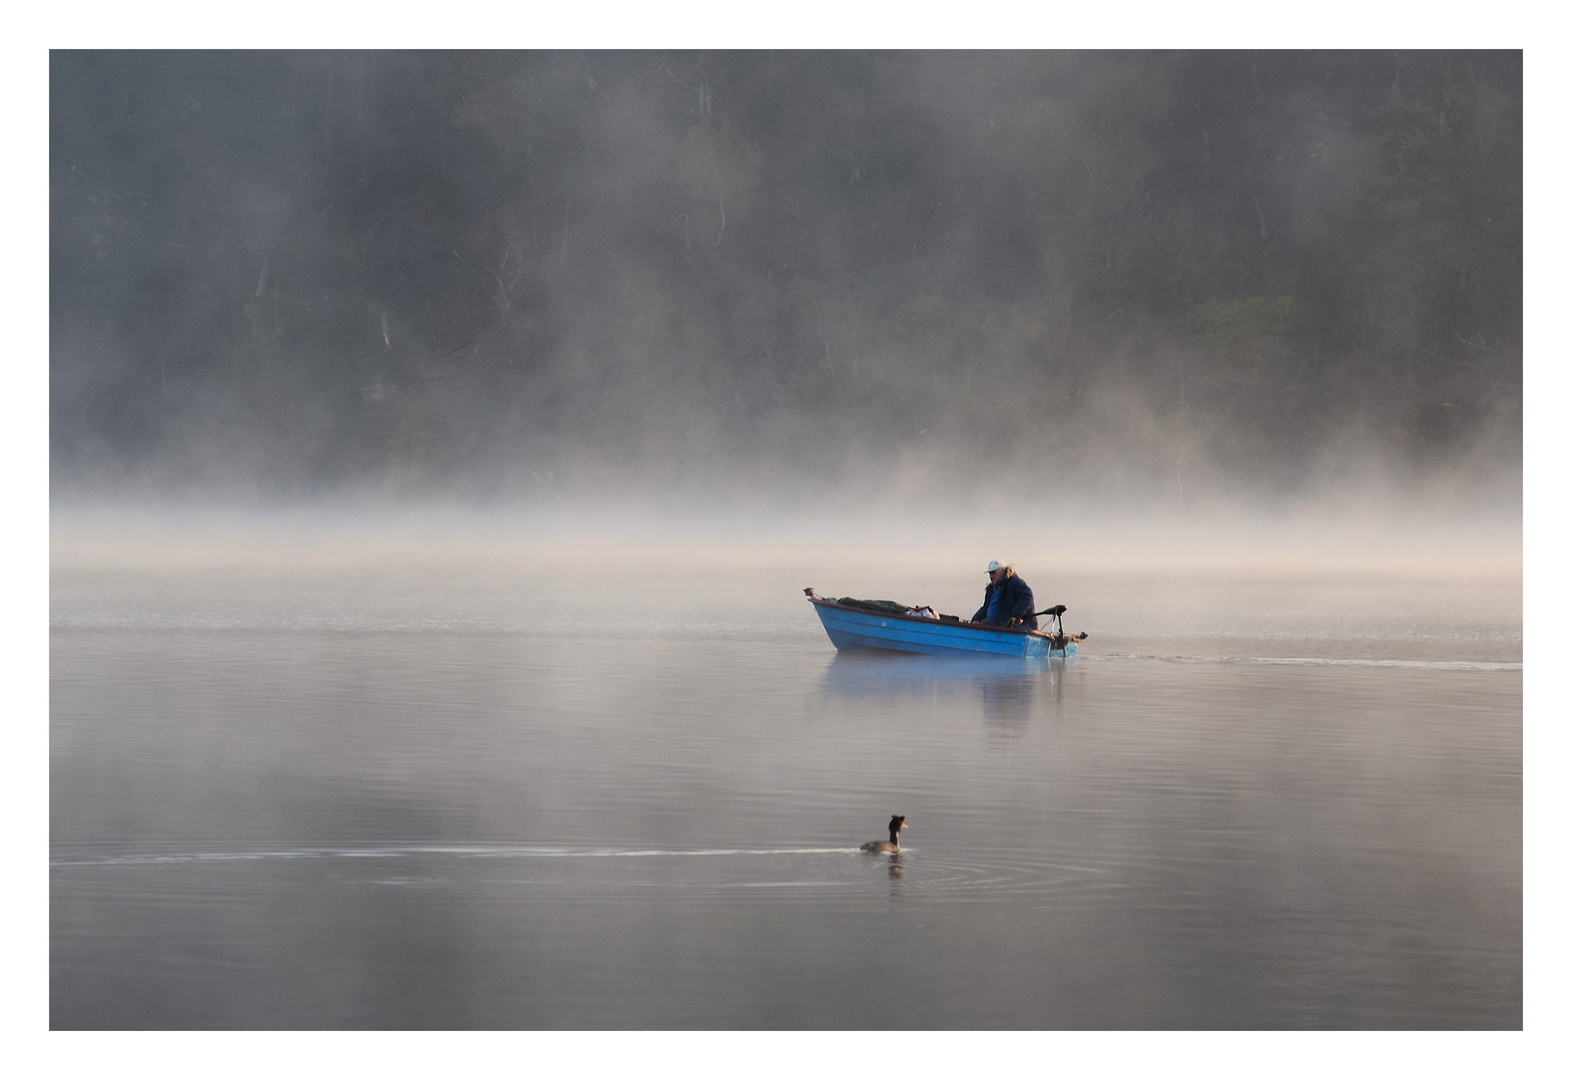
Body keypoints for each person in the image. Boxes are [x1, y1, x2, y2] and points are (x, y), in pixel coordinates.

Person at [971, 560, 1038, 629]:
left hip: (1020, 626)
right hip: (999, 625)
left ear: (1002, 571)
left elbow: (1027, 597)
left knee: (986, 623)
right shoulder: (991, 589)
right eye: (990, 573)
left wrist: (1015, 616)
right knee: (985, 623)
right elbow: (986, 607)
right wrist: (977, 618)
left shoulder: (1015, 583)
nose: (991, 576)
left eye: (994, 573)